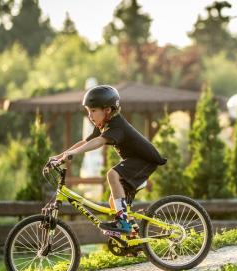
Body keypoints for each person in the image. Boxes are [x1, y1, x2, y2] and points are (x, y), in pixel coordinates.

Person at [51, 85, 166, 237]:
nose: (90, 116)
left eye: (93, 111)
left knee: (112, 175)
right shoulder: (104, 124)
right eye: (88, 111)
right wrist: (61, 155)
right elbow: (86, 141)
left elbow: (98, 142)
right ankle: (132, 236)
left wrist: (74, 153)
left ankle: (123, 223)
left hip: (144, 161)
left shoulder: (117, 125)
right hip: (135, 161)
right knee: (114, 200)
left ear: (107, 110)